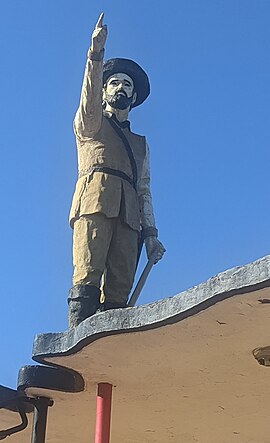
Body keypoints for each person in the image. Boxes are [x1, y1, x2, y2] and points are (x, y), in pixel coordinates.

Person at [68, 13, 165, 328]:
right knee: (87, 276)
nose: (121, 88)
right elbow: (87, 101)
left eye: (127, 85)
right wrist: (94, 56)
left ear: (133, 97)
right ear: (104, 91)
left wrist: (151, 235)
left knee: (119, 292)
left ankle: (108, 347)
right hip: (95, 202)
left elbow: (144, 189)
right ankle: (76, 339)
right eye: (115, 82)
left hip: (129, 219)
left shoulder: (140, 144)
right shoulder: (91, 124)